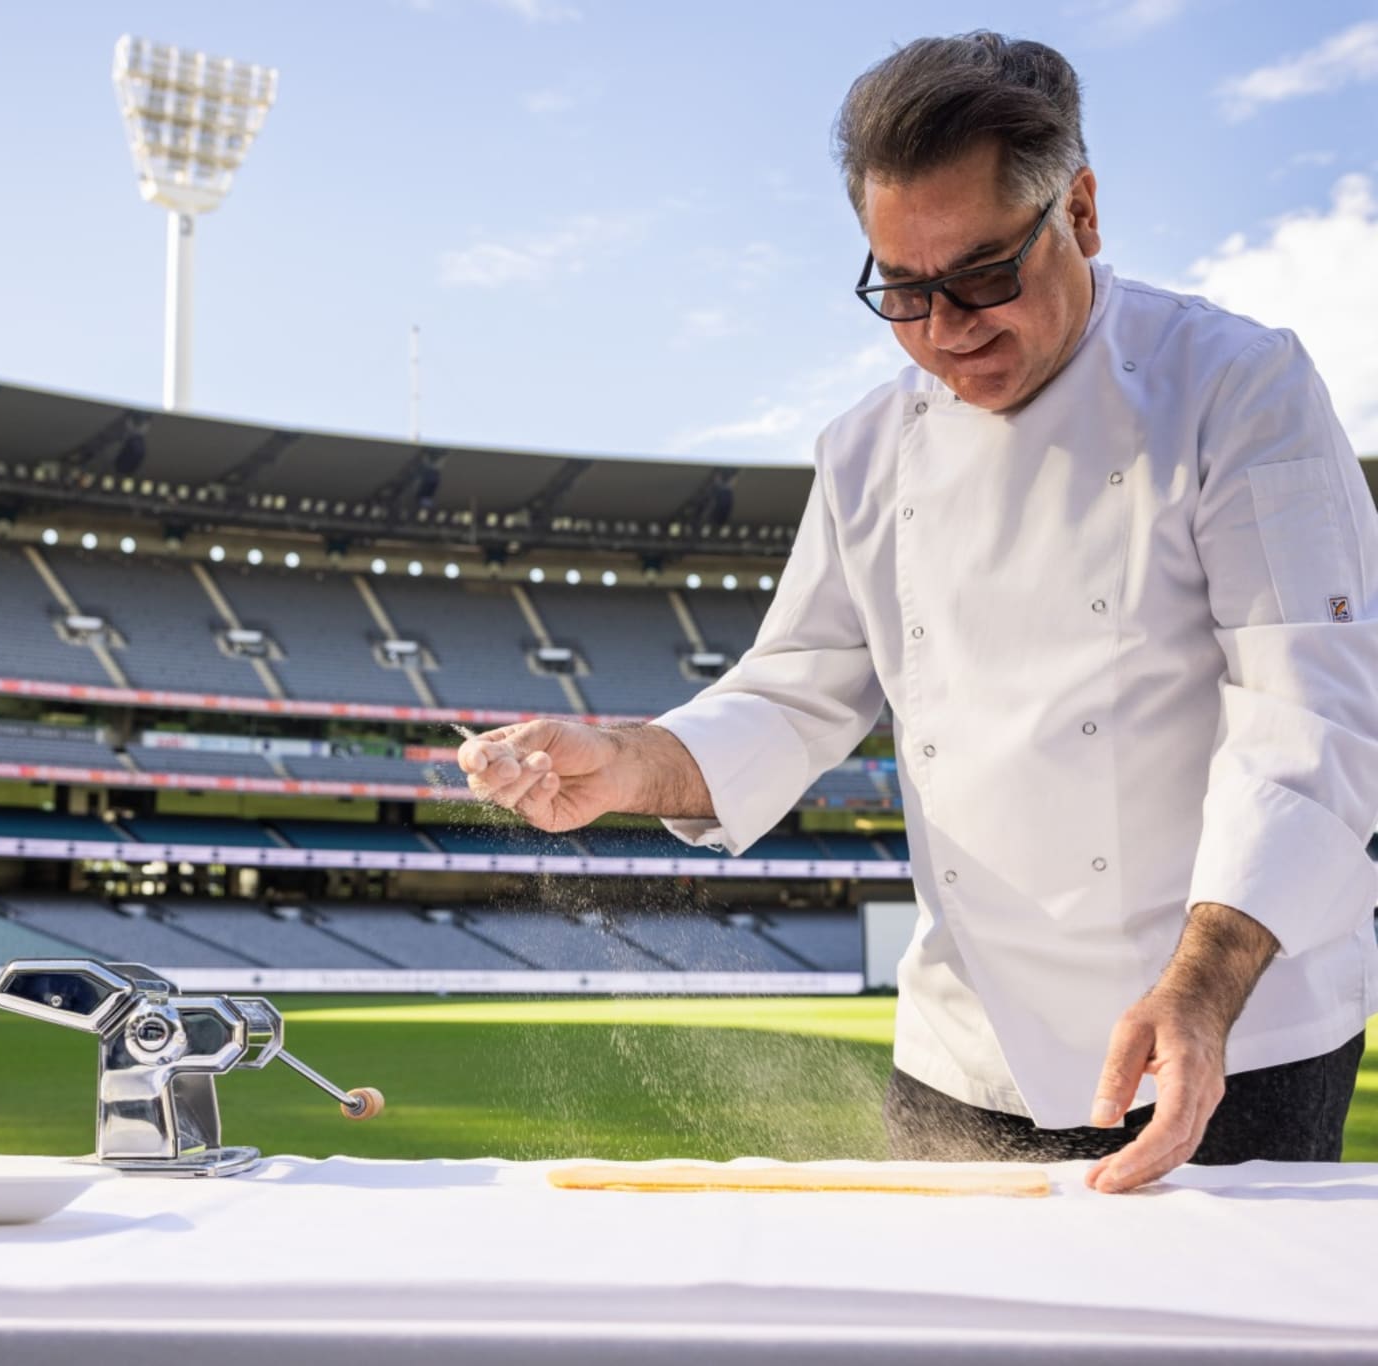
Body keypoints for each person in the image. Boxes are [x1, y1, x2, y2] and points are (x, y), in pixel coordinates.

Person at [458, 31, 1378, 1193]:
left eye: (984, 275)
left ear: (1079, 212)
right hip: (969, 1043)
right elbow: (790, 692)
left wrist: (1199, 988)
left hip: (1233, 1024)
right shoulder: (865, 452)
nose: (944, 331)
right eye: (900, 290)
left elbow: (1309, 718)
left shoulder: (1236, 390)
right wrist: (625, 758)